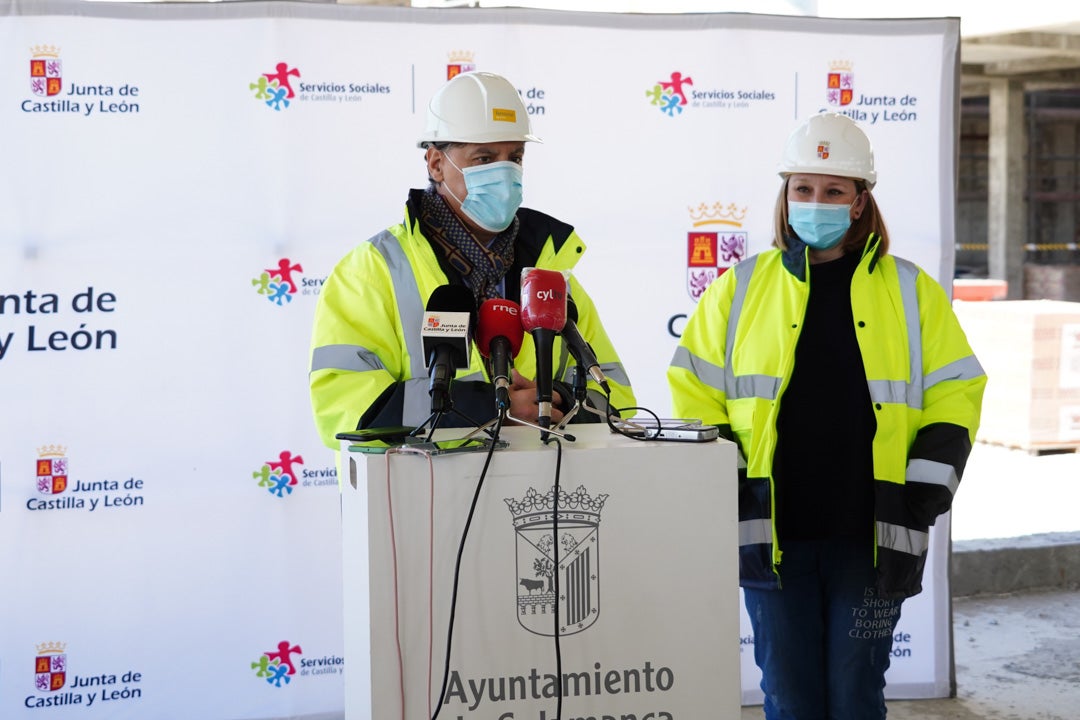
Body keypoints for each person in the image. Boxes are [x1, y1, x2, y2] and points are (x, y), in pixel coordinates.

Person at [667, 112, 986, 719]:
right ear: (785, 196)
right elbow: (693, 391)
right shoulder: (739, 288)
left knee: (856, 695)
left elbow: (956, 390)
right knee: (789, 696)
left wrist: (922, 495)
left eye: (834, 190)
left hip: (869, 534)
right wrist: (726, 487)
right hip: (773, 531)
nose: (816, 202)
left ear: (861, 201)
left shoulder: (911, 290)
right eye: (803, 188)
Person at [309, 70, 635, 449]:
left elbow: (618, 400)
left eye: (515, 157)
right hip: (416, 500)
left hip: (534, 499)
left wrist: (557, 400)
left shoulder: (550, 274)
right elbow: (344, 407)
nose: (505, 171)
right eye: (484, 157)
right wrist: (488, 410)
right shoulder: (373, 270)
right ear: (435, 164)